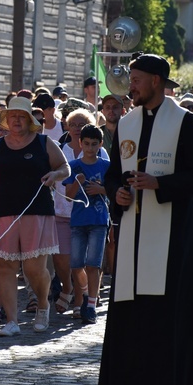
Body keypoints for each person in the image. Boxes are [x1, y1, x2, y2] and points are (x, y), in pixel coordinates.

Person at [97, 53, 193, 385]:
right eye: (130, 78)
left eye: (135, 79)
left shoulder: (184, 123)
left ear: (155, 81)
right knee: (135, 323)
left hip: (171, 242)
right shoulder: (127, 123)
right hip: (133, 236)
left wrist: (159, 184)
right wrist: (117, 191)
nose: (129, 85)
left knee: (167, 322)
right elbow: (115, 174)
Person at [0, 96, 70, 337]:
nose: (16, 120)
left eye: (21, 116)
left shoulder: (43, 143)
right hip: (2, 212)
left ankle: (43, 304)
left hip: (37, 211)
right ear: (5, 120)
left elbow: (65, 168)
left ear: (29, 120)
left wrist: (55, 175)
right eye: (12, 116)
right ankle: (11, 321)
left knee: (34, 269)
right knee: (5, 266)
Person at [62, 123, 109, 324]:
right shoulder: (73, 166)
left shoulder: (106, 166)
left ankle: (90, 304)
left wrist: (101, 190)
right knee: (76, 264)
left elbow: (114, 191)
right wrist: (77, 182)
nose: (90, 148)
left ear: (100, 145)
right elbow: (68, 197)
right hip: (78, 221)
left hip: (99, 220)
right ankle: (85, 293)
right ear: (80, 143)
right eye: (87, 144)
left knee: (93, 264)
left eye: (94, 144)